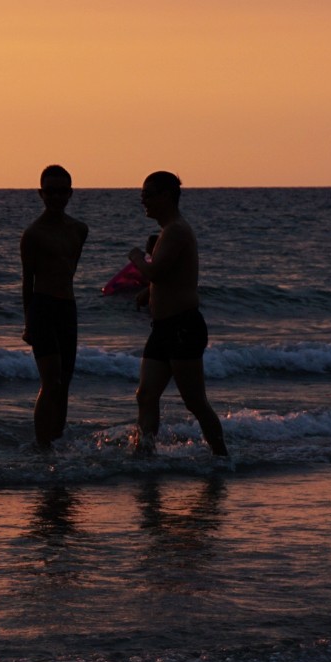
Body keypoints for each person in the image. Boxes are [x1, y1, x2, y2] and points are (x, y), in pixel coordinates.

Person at [127, 171, 231, 463]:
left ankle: (222, 458)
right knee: (146, 395)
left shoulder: (176, 230)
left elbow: (155, 270)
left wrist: (137, 257)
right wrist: (148, 294)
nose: (143, 200)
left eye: (148, 194)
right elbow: (168, 275)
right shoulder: (167, 231)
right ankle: (144, 455)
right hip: (161, 329)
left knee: (195, 402)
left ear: (166, 196)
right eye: (142, 194)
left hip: (183, 326)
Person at [20, 164, 87, 452]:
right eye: (50, 192)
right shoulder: (33, 234)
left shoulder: (79, 230)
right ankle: (42, 444)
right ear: (41, 193)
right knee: (51, 380)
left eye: (62, 191)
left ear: (70, 193)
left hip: (67, 307)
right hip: (42, 307)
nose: (56, 197)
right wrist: (28, 323)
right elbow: (27, 282)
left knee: (65, 382)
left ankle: (57, 440)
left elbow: (70, 269)